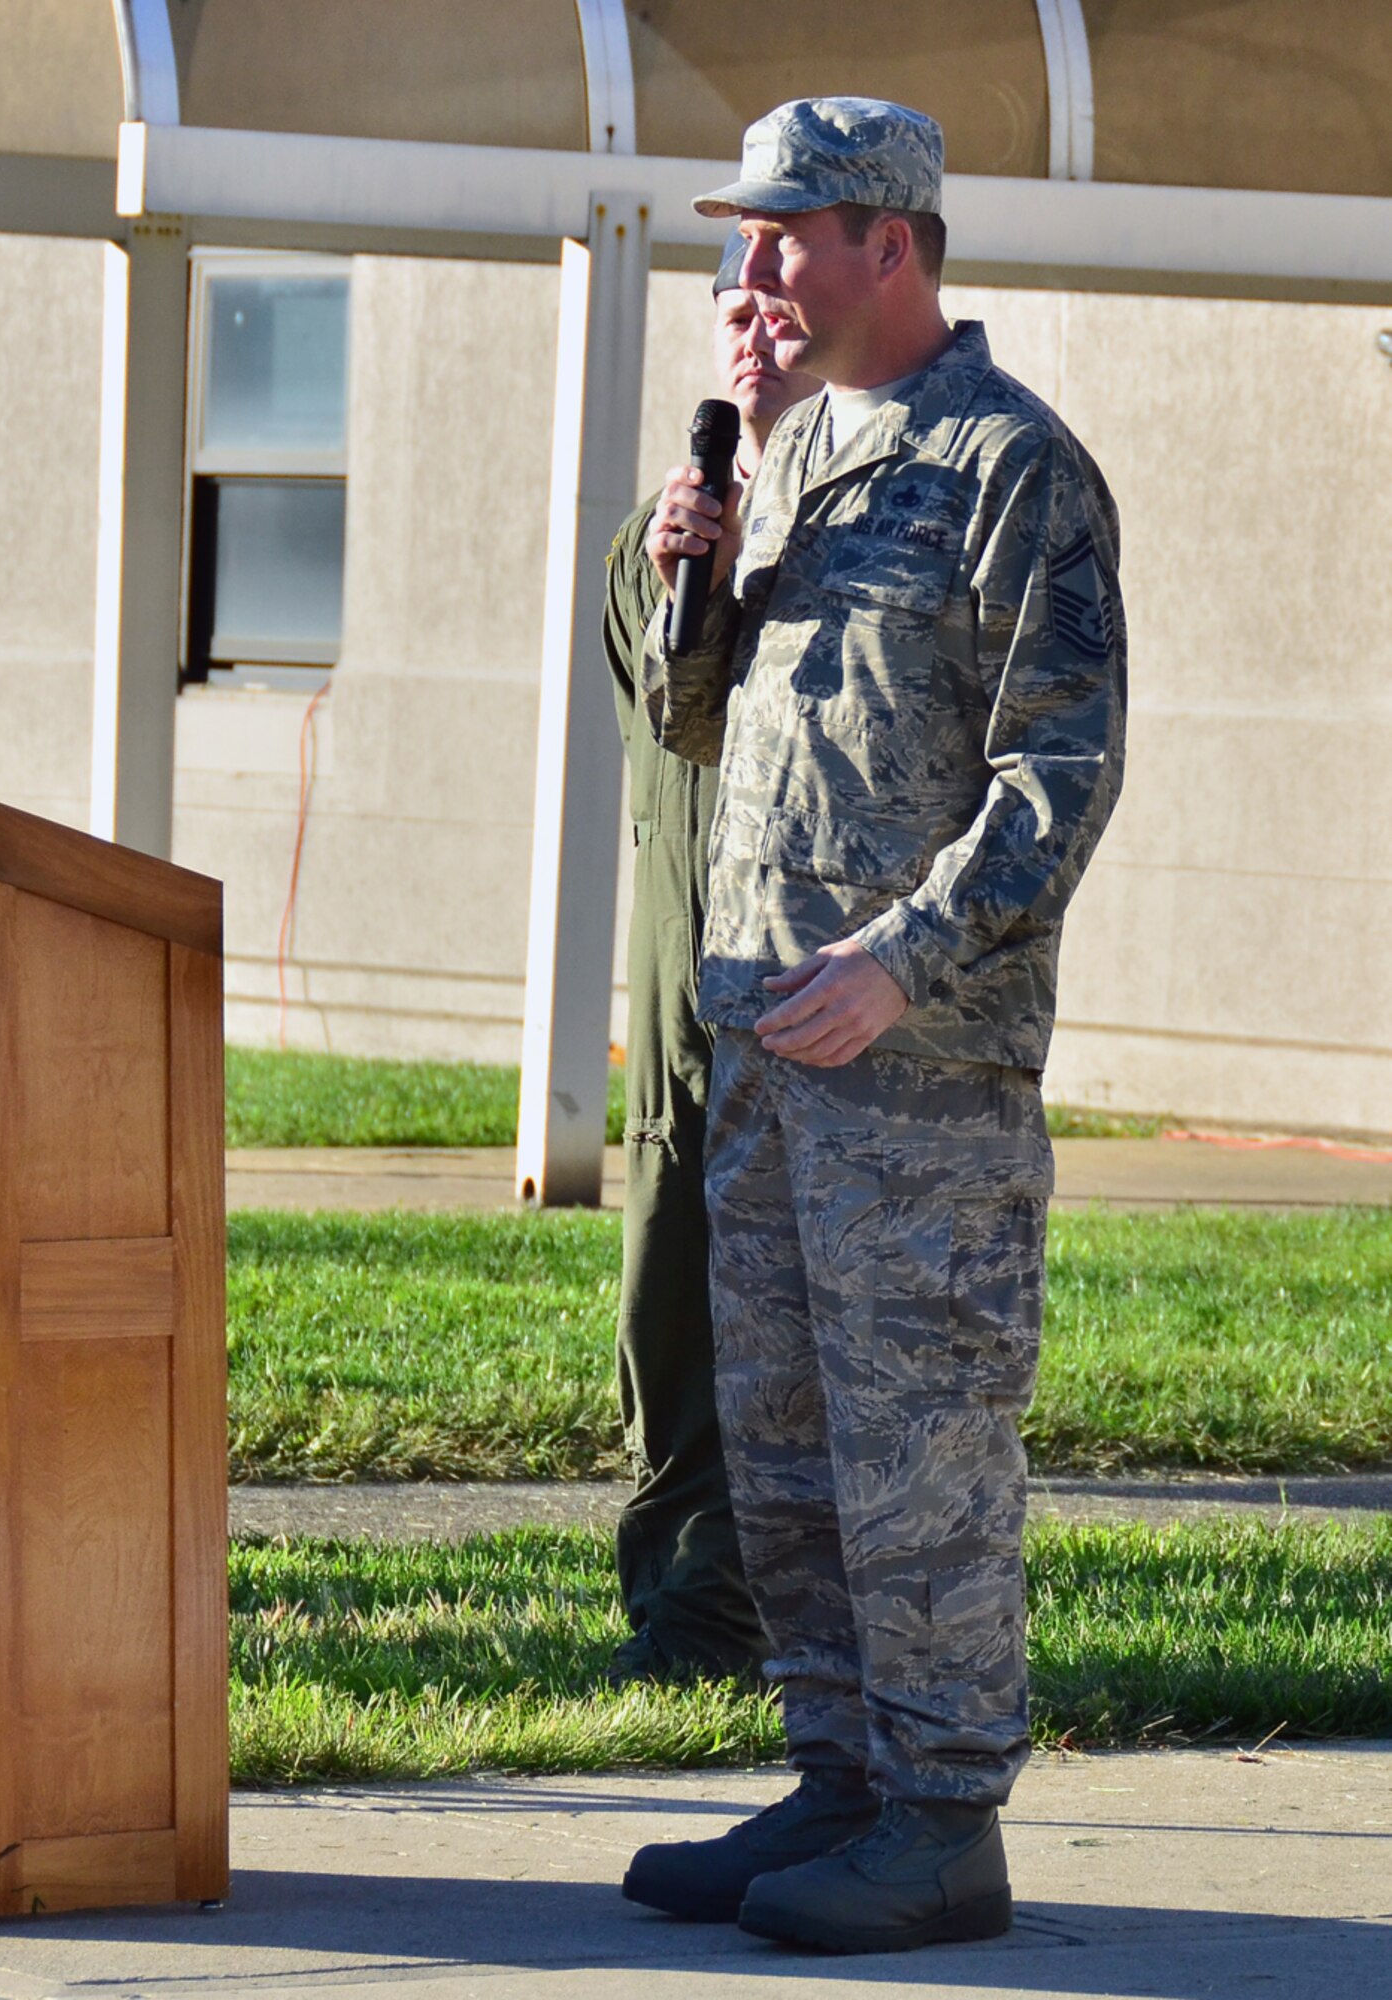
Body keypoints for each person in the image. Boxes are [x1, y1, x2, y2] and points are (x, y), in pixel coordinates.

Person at [619, 99, 1125, 1953]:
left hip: (916, 1093)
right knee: (794, 1453)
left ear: (887, 245)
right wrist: (708, 551)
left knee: (920, 1463)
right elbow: (699, 727)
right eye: (744, 235)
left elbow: (1060, 773)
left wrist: (905, 956)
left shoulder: (1014, 470)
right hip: (766, 1067)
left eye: (782, 235)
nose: (749, 271)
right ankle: (838, 1782)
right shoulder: (802, 448)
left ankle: (940, 1823)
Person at [603, 233, 816, 1685]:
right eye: (730, 309)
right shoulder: (665, 525)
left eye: (775, 306)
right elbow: (659, 701)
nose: (748, 331)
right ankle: (679, 1617)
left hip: (813, 1003)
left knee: (794, 1335)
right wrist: (693, 573)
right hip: (684, 998)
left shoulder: (866, 520)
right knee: (662, 1310)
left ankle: (778, 1627)